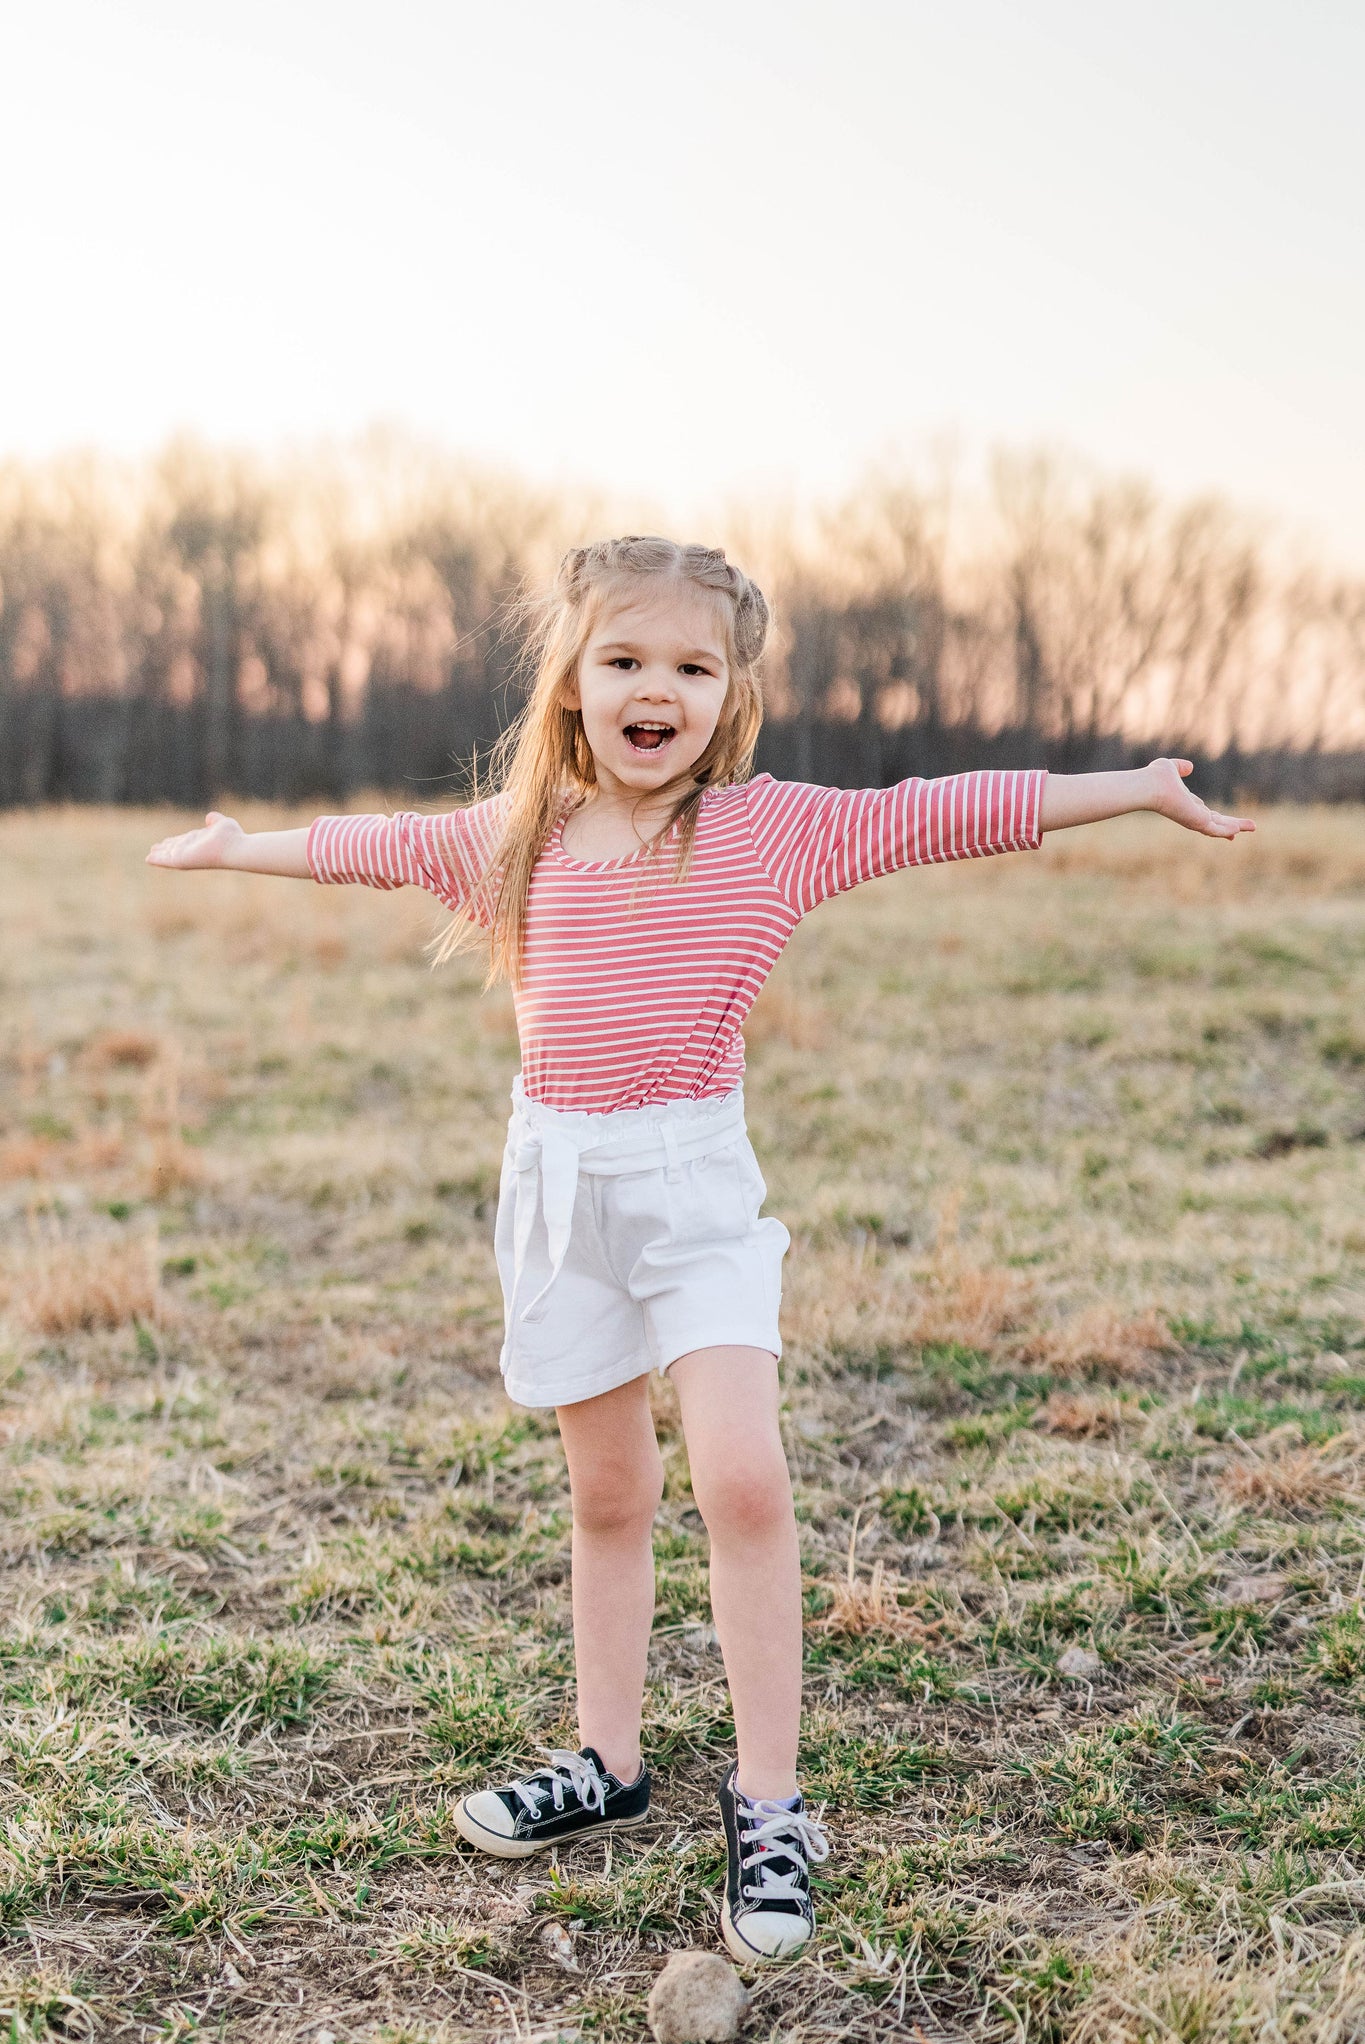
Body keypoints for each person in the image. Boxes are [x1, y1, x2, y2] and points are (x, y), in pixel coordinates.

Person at [147, 535, 1254, 1963]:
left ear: (728, 694)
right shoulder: (520, 840)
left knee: (740, 1478)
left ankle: (770, 1804)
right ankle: (605, 1766)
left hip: (693, 1199)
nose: (652, 689)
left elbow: (946, 810)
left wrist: (1133, 790)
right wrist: (244, 849)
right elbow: (370, 845)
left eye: (689, 664)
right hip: (556, 1195)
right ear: (571, 686)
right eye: (623, 661)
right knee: (606, 1495)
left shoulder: (768, 829)